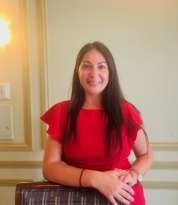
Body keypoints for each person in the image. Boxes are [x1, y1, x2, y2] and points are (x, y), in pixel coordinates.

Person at [41, 41, 153, 205]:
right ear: (77, 71)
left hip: (124, 199)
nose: (94, 73)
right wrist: (95, 179)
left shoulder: (126, 111)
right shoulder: (62, 112)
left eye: (101, 66)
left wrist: (135, 174)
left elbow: (146, 155)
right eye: (86, 66)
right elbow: (49, 168)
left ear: (110, 72)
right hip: (77, 200)